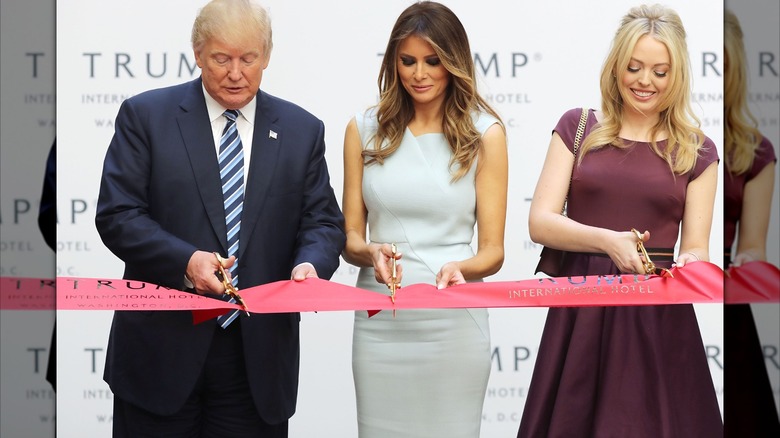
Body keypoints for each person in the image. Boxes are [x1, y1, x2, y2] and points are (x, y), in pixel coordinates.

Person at [94, 0, 345, 436]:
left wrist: (310, 266)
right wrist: (186, 261)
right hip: (161, 354)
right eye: (221, 58)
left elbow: (322, 222)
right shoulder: (146, 116)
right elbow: (118, 214)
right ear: (197, 52)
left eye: (248, 58)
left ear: (266, 56)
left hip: (257, 360)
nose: (236, 72)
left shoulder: (302, 130)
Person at [518, 4, 722, 437]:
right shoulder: (577, 128)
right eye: (634, 67)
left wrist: (692, 264)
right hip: (581, 314)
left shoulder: (698, 151)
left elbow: (697, 246)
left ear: (677, 76)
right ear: (616, 67)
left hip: (657, 319)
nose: (645, 81)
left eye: (660, 71)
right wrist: (610, 242)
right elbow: (540, 221)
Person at [340, 2, 508, 436]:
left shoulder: (484, 133)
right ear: (393, 62)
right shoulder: (363, 129)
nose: (420, 73)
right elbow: (351, 240)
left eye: (433, 61)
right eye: (408, 61)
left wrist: (460, 268)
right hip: (381, 319)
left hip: (453, 321)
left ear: (455, 62)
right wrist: (370, 250)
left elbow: (493, 253)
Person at [723, 9, 780, 435]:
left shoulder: (754, 152)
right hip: (655, 288)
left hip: (723, 298)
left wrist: (749, 262)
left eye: (718, 65)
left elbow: (753, 244)